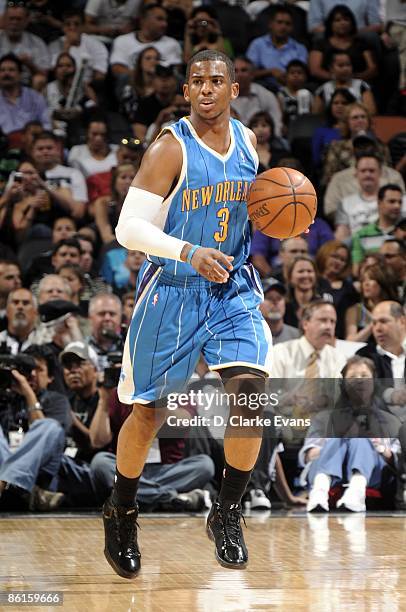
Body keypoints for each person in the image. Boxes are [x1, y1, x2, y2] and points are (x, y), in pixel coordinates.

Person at [102, 49, 284, 578]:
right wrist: (188, 251)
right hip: (175, 288)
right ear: (186, 91)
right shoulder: (168, 148)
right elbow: (128, 229)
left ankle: (227, 511)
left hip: (231, 287)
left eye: (217, 80)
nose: (207, 89)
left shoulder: (248, 141)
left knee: (250, 393)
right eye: (197, 81)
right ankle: (122, 507)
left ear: (233, 89)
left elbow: (243, 207)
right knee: (148, 414)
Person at [303, 355, 400, 513]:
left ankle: (356, 490)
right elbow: (309, 455)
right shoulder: (323, 418)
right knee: (340, 439)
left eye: (364, 376)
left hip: (373, 473)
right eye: (353, 376)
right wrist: (338, 446)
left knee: (361, 439)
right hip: (326, 470)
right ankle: (320, 491)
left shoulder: (390, 421)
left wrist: (378, 448)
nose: (359, 380)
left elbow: (396, 459)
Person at [309, 5, 377, 83]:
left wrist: (355, 79)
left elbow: (373, 69)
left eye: (346, 19)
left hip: (357, 84)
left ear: (352, 23)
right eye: (337, 20)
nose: (342, 23)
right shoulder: (321, 43)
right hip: (328, 84)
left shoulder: (362, 43)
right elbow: (315, 70)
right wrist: (337, 79)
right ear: (330, 24)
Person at [247, 5, 308, 91]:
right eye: (279, 22)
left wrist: (287, 78)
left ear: (292, 28)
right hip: (264, 89)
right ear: (270, 24)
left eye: (288, 24)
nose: (283, 27)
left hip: (292, 90)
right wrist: (270, 72)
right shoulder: (257, 44)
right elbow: (248, 72)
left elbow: (302, 75)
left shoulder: (300, 49)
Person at [351, 184, 405, 275]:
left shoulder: (404, 232)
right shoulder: (362, 234)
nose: (397, 206)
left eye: (400, 202)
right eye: (392, 201)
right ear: (379, 203)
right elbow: (356, 271)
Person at [48, 9, 108, 84]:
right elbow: (54, 72)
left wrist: (85, 88)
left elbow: (100, 74)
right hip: (61, 85)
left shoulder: (96, 44)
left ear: (82, 26)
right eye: (68, 24)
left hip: (88, 85)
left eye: (76, 24)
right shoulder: (54, 45)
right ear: (63, 27)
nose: (72, 28)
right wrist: (67, 47)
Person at [0, 53, 51, 140]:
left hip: (31, 145)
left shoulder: (35, 98)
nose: (6, 73)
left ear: (20, 74)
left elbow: (47, 125)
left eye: (11, 70)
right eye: (2, 70)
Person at [316, 240, 359, 339]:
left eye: (343, 260)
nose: (338, 262)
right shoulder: (311, 279)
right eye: (334, 256)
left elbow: (351, 327)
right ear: (324, 255)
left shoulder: (349, 289)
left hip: (337, 340)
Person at [345, 264, 398, 343]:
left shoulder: (394, 307)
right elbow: (350, 341)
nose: (366, 283)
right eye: (363, 280)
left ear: (382, 281)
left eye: (371, 279)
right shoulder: (355, 310)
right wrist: (374, 324)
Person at [312, 51, 376, 116]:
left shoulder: (362, 86)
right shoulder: (323, 89)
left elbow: (371, 112)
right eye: (341, 65)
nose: (345, 69)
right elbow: (316, 115)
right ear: (331, 68)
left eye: (348, 65)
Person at [232, 56, 282, 135]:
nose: (239, 75)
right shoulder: (221, 97)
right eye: (235, 71)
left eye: (244, 70)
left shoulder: (266, 95)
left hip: (262, 143)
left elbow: (277, 125)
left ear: (252, 75)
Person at [260, 277, 300, 344]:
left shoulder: (297, 337)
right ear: (257, 303)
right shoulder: (250, 336)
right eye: (269, 298)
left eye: (279, 298)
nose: (275, 302)